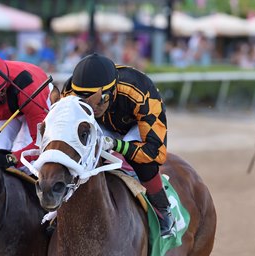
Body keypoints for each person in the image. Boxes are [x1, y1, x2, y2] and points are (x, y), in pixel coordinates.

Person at [62, 53, 175, 236]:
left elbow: (156, 153)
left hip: (135, 127)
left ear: (112, 90)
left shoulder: (140, 89)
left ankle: (163, 209)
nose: (94, 106)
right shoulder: (68, 93)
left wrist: (118, 145)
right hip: (98, 125)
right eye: (85, 100)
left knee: (142, 160)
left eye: (99, 100)